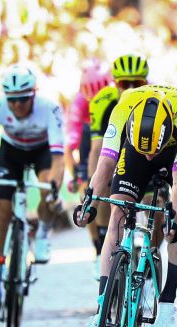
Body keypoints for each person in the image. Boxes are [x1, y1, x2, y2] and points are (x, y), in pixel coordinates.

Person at [75, 85, 177, 327]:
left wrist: (174, 221)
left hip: (176, 148)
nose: (149, 157)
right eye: (146, 151)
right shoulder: (123, 106)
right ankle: (101, 312)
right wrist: (88, 203)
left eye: (152, 151)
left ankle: (167, 302)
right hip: (132, 145)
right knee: (117, 213)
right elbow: (106, 163)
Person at [0, 64, 65, 319]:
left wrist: (54, 188)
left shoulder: (49, 109)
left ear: (34, 94)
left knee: (47, 188)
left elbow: (58, 160)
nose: (17, 105)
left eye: (23, 99)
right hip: (10, 152)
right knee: (2, 214)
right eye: (12, 100)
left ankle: (43, 234)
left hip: (43, 151)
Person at [87, 54, 150, 274]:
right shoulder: (102, 101)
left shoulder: (155, 98)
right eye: (125, 83)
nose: (131, 88)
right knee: (103, 190)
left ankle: (150, 254)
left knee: (154, 200)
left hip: (146, 153)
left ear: (146, 82)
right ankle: (103, 246)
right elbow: (96, 149)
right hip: (114, 148)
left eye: (137, 83)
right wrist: (92, 185)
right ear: (115, 83)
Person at [64, 60, 112, 279]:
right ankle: (97, 249)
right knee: (90, 193)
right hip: (88, 136)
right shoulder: (79, 102)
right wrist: (75, 174)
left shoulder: (114, 95)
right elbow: (70, 143)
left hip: (109, 130)